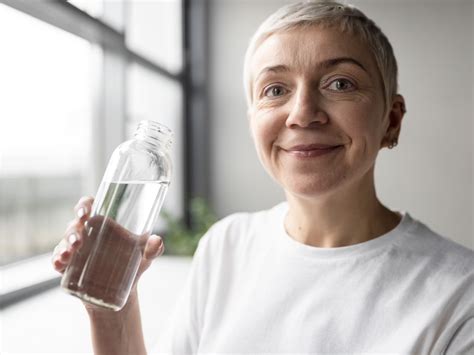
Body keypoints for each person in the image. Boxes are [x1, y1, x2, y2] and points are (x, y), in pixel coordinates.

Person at [52, 1, 474, 353]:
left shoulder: (460, 295)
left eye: (340, 83)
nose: (302, 112)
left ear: (392, 121)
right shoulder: (225, 245)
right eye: (275, 89)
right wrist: (111, 309)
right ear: (253, 119)